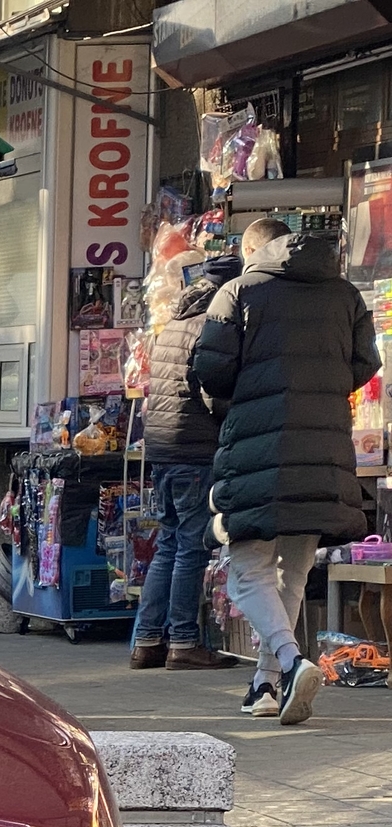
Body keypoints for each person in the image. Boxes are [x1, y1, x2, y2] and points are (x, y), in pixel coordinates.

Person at [193, 214, 381, 725]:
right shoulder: (344, 294)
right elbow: (366, 363)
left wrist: (240, 396)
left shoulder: (238, 292)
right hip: (324, 450)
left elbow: (210, 368)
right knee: (291, 572)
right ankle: (266, 685)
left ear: (254, 250)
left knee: (247, 572)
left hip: (258, 449)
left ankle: (293, 661)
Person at [129, 250, 240, 669]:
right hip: (194, 449)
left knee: (170, 544)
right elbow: (211, 393)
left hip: (162, 450)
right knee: (191, 546)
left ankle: (146, 641)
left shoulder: (173, 324)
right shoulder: (211, 327)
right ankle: (183, 642)